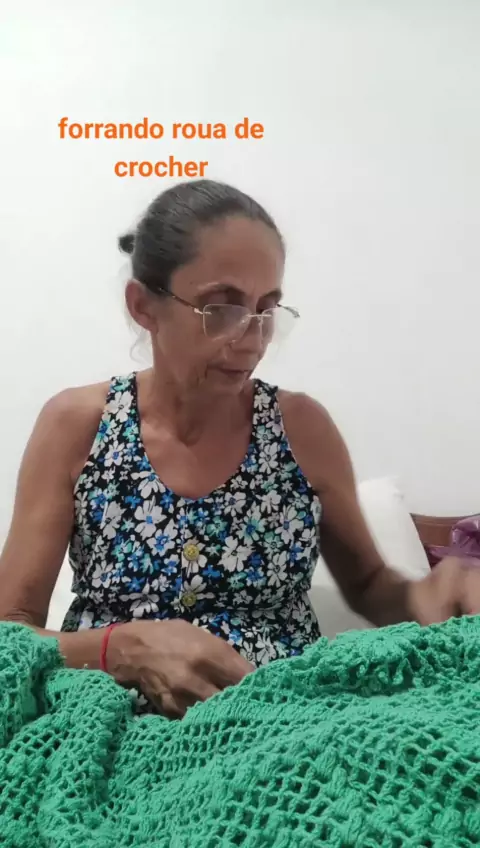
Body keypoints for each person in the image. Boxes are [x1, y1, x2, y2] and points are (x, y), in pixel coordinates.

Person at [0, 179, 478, 718]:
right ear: (143, 306)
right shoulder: (78, 425)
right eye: (220, 308)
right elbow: (10, 634)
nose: (252, 339)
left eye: (267, 310)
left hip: (284, 719)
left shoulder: (301, 428)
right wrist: (121, 648)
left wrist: (430, 595)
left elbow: (370, 584)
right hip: (109, 715)